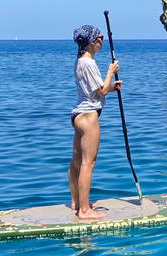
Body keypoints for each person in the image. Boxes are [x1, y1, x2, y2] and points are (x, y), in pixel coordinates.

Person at [68, 24, 122, 219]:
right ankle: (84, 210)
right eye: (99, 37)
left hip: (78, 115)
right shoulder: (89, 63)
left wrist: (111, 88)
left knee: (76, 162)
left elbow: (94, 90)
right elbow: (99, 92)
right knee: (87, 164)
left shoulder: (80, 60)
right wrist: (110, 72)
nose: (102, 40)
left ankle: (77, 201)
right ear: (91, 41)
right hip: (89, 117)